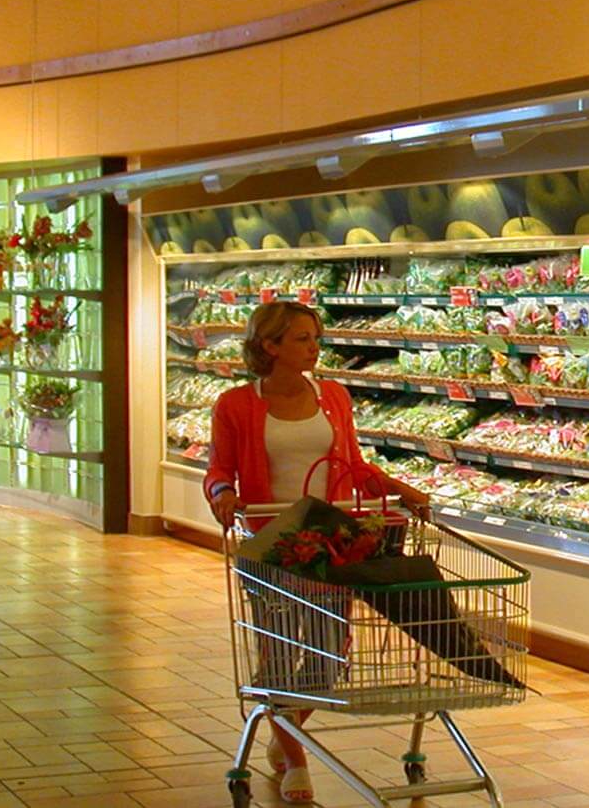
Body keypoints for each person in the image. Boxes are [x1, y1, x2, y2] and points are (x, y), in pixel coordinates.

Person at [204, 300, 429, 805]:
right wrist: (223, 497)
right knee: (281, 656)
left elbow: (354, 465)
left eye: (315, 337)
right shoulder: (235, 405)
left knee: (329, 660)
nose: (315, 347)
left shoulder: (333, 397)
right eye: (303, 339)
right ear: (270, 346)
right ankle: (296, 759)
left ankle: (282, 726)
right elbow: (219, 471)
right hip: (271, 545)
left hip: (329, 544)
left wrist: (401, 488)